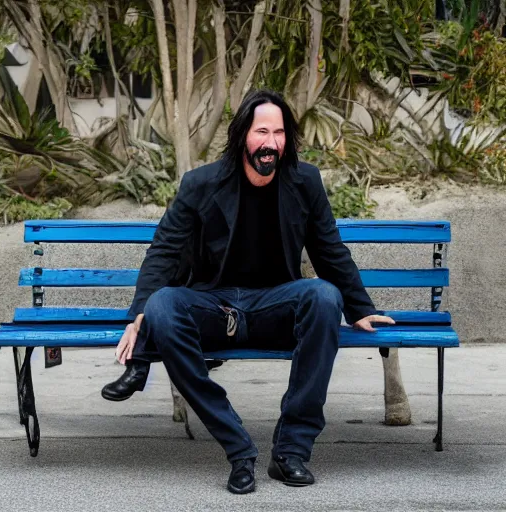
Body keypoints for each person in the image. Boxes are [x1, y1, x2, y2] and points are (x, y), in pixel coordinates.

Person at [101, 89, 394, 494]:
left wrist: (359, 307)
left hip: (274, 306)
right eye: (261, 132)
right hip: (213, 304)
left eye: (279, 133)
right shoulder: (201, 183)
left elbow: (329, 248)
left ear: (287, 139)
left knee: (325, 296)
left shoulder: (305, 181)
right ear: (243, 135)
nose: (270, 142)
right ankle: (238, 448)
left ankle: (291, 451)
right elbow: (165, 249)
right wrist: (139, 316)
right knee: (163, 304)